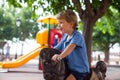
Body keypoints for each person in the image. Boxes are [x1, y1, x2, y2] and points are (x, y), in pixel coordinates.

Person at [51, 10, 90, 80]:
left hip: (80, 71)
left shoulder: (77, 36)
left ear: (71, 24)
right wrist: (48, 51)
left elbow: (71, 47)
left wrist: (60, 57)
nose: (58, 25)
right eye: (58, 23)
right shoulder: (65, 36)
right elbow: (56, 48)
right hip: (69, 69)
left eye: (61, 23)